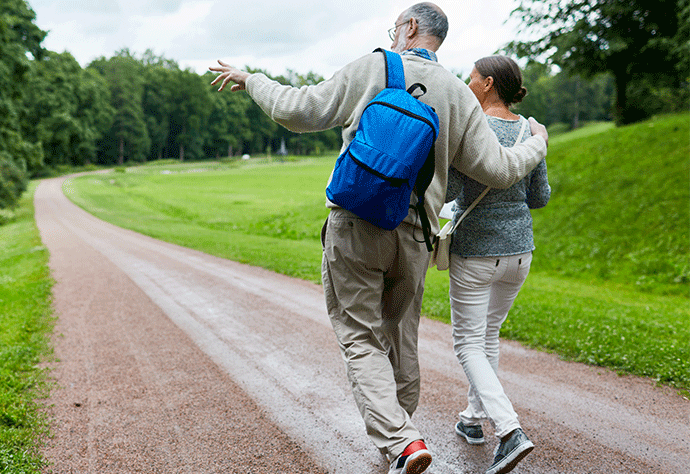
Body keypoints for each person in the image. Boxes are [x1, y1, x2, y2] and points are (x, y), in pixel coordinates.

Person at [210, 4, 549, 474]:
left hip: (355, 224)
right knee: (401, 338)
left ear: (410, 28)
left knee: (360, 337)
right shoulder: (458, 93)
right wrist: (537, 143)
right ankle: (400, 438)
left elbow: (297, 111)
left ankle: (402, 443)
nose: (393, 35)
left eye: (395, 28)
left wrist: (253, 80)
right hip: (415, 235)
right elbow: (499, 169)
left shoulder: (373, 66)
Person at [447, 55, 550, 474]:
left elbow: (452, 188)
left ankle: (509, 431)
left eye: (471, 78)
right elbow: (539, 196)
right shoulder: (531, 131)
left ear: (488, 83)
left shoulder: (471, 126)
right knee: (488, 336)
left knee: (467, 342)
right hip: (520, 253)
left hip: (475, 252)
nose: (466, 83)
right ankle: (473, 419)